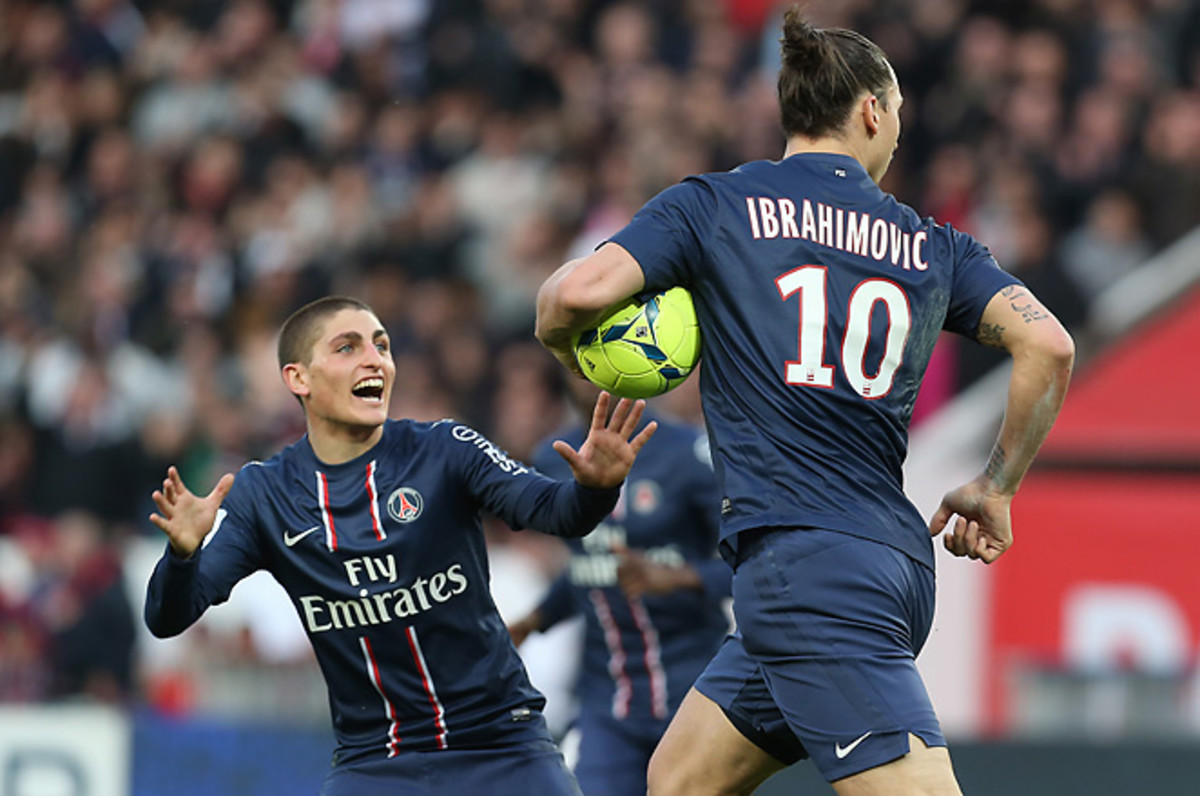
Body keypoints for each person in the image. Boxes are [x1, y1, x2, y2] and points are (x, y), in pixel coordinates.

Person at [534, 8, 1075, 796]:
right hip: (874, 564)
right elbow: (1049, 345)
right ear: (870, 111)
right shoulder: (931, 242)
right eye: (897, 114)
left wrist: (574, 354)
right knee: (679, 782)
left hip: (804, 571)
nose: (897, 133)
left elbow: (569, 297)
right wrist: (997, 485)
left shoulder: (713, 207)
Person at [143, 295, 657, 796]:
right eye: (348, 347)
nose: (375, 359)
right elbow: (168, 616)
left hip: (501, 744)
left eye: (381, 345)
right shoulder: (265, 495)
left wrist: (596, 487)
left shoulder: (444, 449)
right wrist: (183, 554)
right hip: (375, 762)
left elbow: (557, 512)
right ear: (298, 378)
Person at [507, 377, 731, 796]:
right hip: (605, 702)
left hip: (693, 692)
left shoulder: (692, 453)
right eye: (579, 359)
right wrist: (532, 621)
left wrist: (681, 576)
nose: (590, 373)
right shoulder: (554, 458)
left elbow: (750, 566)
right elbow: (585, 570)